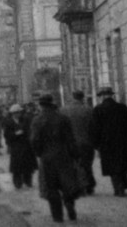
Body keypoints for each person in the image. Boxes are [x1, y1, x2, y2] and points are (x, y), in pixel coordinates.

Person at [31, 94, 80, 223]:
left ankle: (57, 216)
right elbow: (71, 139)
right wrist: (75, 155)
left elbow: (34, 140)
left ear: (41, 105)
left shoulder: (37, 120)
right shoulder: (63, 118)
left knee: (51, 187)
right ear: (52, 104)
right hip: (64, 155)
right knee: (67, 183)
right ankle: (69, 204)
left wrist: (39, 153)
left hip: (47, 158)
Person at [90, 86, 127, 197]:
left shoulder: (98, 109)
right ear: (112, 95)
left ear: (101, 96)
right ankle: (122, 186)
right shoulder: (122, 108)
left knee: (112, 166)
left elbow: (95, 129)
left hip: (106, 143)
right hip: (122, 142)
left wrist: (96, 144)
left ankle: (118, 188)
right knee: (122, 163)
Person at [60, 89, 96, 194]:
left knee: (74, 165)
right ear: (82, 97)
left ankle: (79, 184)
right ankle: (89, 184)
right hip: (86, 143)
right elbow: (94, 127)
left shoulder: (64, 110)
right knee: (87, 164)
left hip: (70, 143)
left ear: (73, 97)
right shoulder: (89, 110)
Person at [3, 103, 37, 189]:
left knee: (27, 166)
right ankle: (17, 183)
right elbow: (6, 135)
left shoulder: (25, 120)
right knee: (16, 167)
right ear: (12, 113)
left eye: (18, 112)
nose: (17, 114)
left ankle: (28, 181)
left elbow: (29, 131)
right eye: (15, 113)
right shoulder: (9, 122)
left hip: (26, 146)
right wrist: (15, 134)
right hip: (15, 147)